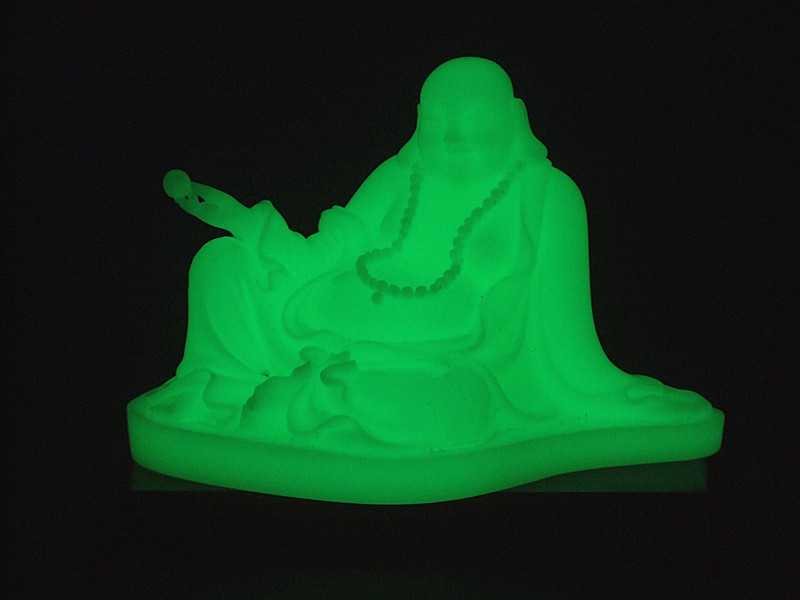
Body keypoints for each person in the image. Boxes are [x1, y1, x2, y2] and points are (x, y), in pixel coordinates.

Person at [141, 57, 712, 451]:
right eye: (437, 124)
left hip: (449, 351)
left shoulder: (544, 196)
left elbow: (563, 340)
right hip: (331, 314)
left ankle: (329, 395)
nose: (453, 139)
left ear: (512, 118)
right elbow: (331, 249)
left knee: (458, 408)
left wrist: (608, 396)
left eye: (473, 122)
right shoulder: (400, 175)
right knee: (219, 266)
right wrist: (246, 225)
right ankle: (273, 388)